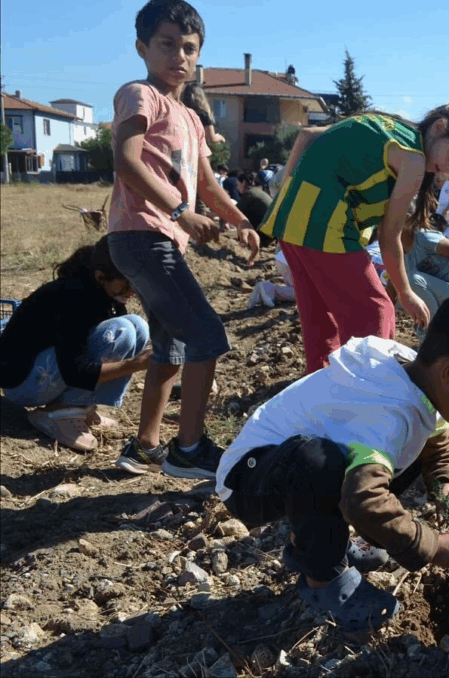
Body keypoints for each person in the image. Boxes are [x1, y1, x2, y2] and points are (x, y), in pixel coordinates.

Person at [215, 293, 449, 632]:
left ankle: (327, 540)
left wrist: (447, 488)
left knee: (398, 452)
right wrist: (435, 548)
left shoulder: (416, 375)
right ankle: (324, 580)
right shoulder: (387, 415)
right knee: (321, 464)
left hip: (279, 467)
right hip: (248, 479)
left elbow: (437, 443)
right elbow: (363, 500)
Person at [107, 0, 261, 480]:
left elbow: (208, 185)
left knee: (172, 345)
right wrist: (180, 211)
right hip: (142, 235)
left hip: (157, 239)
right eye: (167, 44)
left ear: (199, 56)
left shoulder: (190, 117)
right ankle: (188, 449)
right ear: (142, 48)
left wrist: (241, 221)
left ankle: (146, 447)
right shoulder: (140, 95)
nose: (179, 55)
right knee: (207, 335)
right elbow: (126, 162)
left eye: (188, 47)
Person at [258, 105, 449, 375]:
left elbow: (307, 135)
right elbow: (389, 238)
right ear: (439, 127)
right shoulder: (414, 160)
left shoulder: (388, 125)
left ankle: (322, 388)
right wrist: (405, 292)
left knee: (320, 320)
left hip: (291, 222)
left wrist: (288, 195)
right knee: (377, 312)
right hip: (324, 225)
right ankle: (371, 391)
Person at [1, 236, 150, 454]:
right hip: (22, 384)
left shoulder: (104, 291)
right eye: (128, 282)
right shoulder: (75, 297)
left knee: (138, 326)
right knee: (121, 331)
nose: (134, 290)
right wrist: (136, 364)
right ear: (101, 276)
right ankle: (59, 413)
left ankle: (78, 406)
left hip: (46, 370)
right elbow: (76, 372)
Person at [180, 81, 225, 150]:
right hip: (196, 150)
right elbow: (211, 138)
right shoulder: (202, 114)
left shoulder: (181, 111)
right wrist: (221, 138)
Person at [237, 171, 274, 246]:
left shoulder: (250, 194)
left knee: (242, 216)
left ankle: (251, 240)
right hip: (271, 233)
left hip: (264, 235)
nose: (237, 188)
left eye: (238, 184)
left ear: (243, 182)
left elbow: (233, 211)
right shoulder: (258, 191)